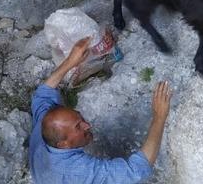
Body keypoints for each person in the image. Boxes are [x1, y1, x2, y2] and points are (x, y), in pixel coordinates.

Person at [30, 37, 172, 184]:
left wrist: (70, 62)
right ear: (63, 145)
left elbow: (43, 93)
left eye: (80, 119)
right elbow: (136, 170)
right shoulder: (78, 172)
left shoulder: (45, 123)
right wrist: (159, 116)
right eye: (78, 127)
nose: (87, 125)